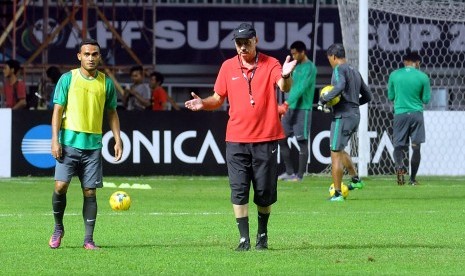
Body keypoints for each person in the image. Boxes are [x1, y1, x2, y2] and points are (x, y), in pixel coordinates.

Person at [185, 23, 297, 251]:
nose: (243, 47)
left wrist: (286, 75)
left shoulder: (271, 63)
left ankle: (262, 235)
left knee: (264, 193)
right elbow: (217, 98)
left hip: (266, 138)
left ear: (256, 40)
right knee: (239, 189)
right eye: (239, 43)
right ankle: (244, 239)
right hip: (235, 139)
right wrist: (203, 103)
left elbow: (283, 86)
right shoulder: (227, 67)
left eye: (247, 42)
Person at [48, 38, 123, 250]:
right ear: (79, 56)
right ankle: (58, 228)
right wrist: (55, 140)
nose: (91, 58)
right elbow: (57, 111)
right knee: (60, 186)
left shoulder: (106, 83)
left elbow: (112, 113)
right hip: (69, 143)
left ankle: (88, 240)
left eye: (95, 54)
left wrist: (118, 139)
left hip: (93, 147)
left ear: (99, 56)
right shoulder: (67, 79)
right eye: (87, 54)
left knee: (90, 192)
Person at [318, 43, 372, 202]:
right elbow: (368, 96)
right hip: (355, 116)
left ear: (333, 57)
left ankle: (337, 193)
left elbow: (340, 86)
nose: (330, 62)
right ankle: (356, 180)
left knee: (335, 154)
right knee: (340, 150)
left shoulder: (338, 69)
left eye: (329, 59)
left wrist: (324, 99)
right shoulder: (355, 71)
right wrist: (353, 104)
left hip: (342, 117)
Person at [387, 51, 431, 185]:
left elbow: (390, 97)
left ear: (404, 62)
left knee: (398, 146)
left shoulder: (394, 75)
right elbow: (426, 99)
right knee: (416, 147)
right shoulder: (423, 77)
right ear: (417, 62)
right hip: (416, 114)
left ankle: (399, 167)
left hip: (400, 114)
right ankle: (412, 179)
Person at [277, 41, 317, 182]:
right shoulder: (295, 67)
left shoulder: (310, 68)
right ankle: (289, 172)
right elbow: (291, 86)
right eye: (292, 53)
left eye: (295, 53)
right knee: (281, 138)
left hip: (302, 109)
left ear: (302, 52)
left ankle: (299, 176)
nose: (293, 56)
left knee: (302, 142)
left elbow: (301, 88)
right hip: (291, 108)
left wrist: (287, 102)